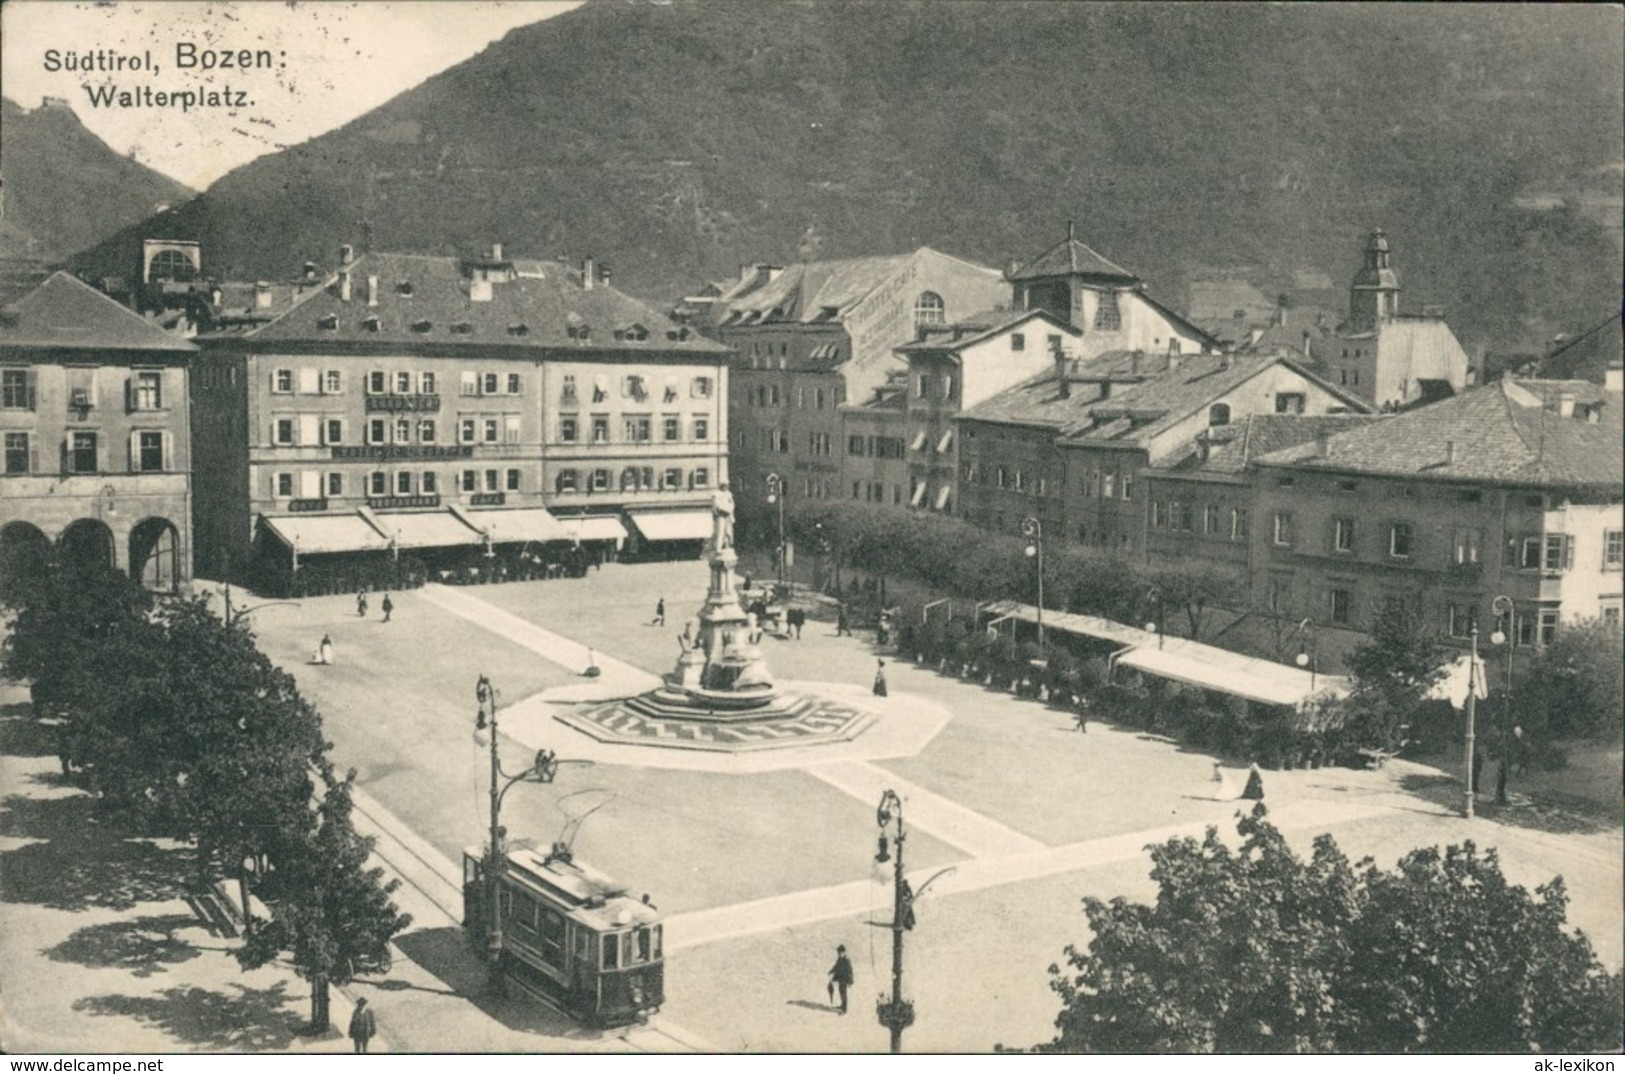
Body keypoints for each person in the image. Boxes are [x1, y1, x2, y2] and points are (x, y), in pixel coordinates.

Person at [828, 945, 854, 1014]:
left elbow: (850, 971)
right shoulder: (839, 959)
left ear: (844, 952)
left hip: (845, 979)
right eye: (838, 953)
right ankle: (842, 1006)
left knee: (843, 993)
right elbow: (836, 966)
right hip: (840, 979)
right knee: (841, 992)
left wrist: (850, 981)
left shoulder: (847, 960)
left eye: (841, 953)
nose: (839, 954)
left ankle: (844, 1010)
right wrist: (831, 971)